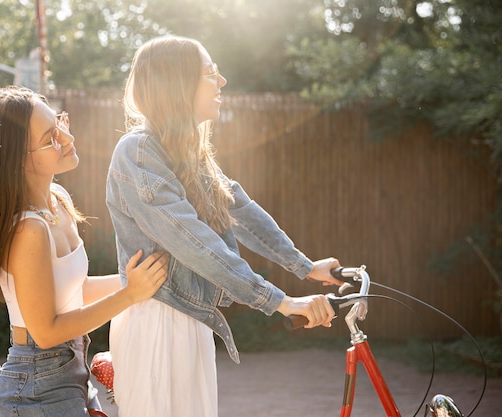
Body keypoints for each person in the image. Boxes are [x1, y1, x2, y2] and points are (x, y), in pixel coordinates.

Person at [105, 35, 344, 417]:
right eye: (210, 73)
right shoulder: (138, 152)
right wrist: (280, 301)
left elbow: (238, 208)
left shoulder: (187, 153)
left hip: (192, 319)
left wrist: (305, 267)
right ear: (179, 84)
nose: (222, 82)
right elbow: (194, 242)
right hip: (158, 322)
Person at [0, 85, 169, 417]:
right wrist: (130, 294)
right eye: (50, 137)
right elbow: (46, 331)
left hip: (71, 369)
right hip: (38, 383)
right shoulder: (28, 230)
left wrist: (137, 279)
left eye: (60, 123)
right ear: (17, 160)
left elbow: (76, 291)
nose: (67, 138)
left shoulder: (58, 200)